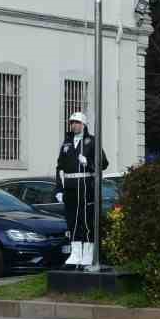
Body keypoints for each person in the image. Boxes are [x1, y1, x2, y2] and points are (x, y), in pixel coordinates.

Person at [54, 111, 107, 269]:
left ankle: (88, 253)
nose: (73, 125)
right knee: (72, 220)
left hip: (86, 185)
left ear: (83, 124)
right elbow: (60, 168)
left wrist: (88, 162)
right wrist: (59, 189)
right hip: (70, 187)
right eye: (72, 122)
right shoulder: (66, 144)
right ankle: (76, 253)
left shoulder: (92, 141)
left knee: (86, 220)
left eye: (76, 122)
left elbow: (103, 163)